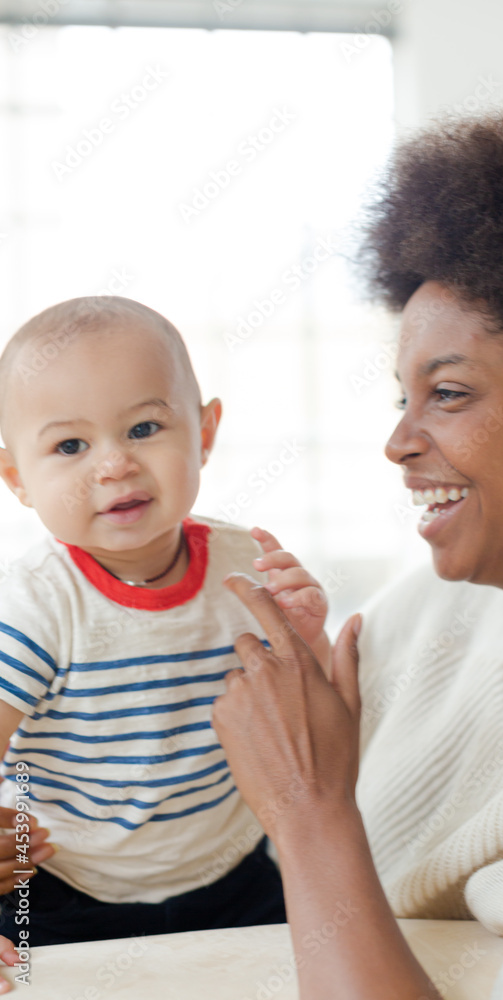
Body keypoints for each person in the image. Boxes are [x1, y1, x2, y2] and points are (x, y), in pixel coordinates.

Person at [211, 107, 503, 998]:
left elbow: (308, 829)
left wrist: (310, 811)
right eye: (402, 398)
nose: (398, 444)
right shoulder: (417, 622)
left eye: (449, 394)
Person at [0, 295, 330, 961]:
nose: (114, 465)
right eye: (70, 445)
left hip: (229, 868)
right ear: (18, 479)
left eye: (144, 429)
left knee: (297, 963)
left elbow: (309, 714)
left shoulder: (245, 567)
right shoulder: (35, 605)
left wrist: (308, 639)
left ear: (204, 434)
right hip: (66, 882)